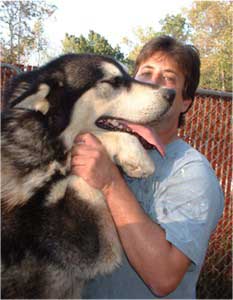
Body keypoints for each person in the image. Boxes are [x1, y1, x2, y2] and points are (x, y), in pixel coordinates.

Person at [71, 35, 224, 299]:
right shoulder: (109, 145)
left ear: (185, 101)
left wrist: (110, 183)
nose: (153, 84)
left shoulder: (191, 173)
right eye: (146, 73)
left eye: (168, 78)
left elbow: (163, 277)